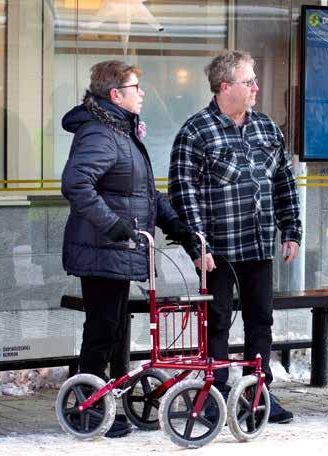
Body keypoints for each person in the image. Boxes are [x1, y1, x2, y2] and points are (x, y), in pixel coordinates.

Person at [61, 60, 194, 437]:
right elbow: (75, 183)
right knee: (102, 330)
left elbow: (145, 193)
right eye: (136, 87)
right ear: (116, 94)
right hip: (102, 248)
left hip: (118, 248)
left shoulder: (121, 131)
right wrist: (114, 225)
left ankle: (106, 402)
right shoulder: (102, 134)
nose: (143, 93)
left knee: (114, 328)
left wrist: (177, 227)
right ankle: (88, 408)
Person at [168, 50, 301, 424]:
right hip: (219, 252)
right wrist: (198, 246)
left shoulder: (266, 127)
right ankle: (214, 394)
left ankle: (260, 393)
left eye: (255, 79)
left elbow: (284, 183)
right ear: (225, 86)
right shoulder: (195, 132)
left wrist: (291, 229)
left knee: (262, 321)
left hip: (258, 245)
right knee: (217, 323)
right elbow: (184, 194)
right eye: (249, 80)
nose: (256, 86)